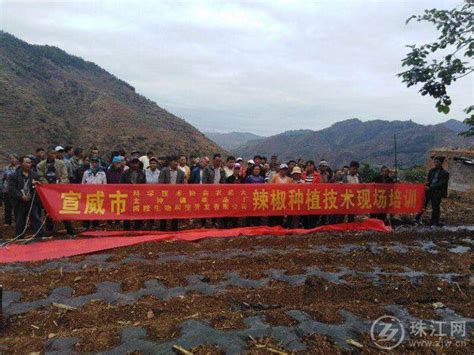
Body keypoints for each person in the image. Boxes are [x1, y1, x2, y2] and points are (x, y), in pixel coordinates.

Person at [37, 147, 75, 236]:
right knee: (48, 209)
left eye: (54, 153)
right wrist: (47, 185)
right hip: (47, 191)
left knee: (63, 209)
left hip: (59, 190)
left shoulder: (61, 163)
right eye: (51, 153)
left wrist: (59, 185)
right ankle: (49, 230)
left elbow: (65, 175)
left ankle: (70, 230)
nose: (53, 155)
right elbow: (40, 176)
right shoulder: (41, 165)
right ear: (47, 154)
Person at [7, 156, 43, 239]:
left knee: (35, 218)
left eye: (30, 163)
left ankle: (39, 235)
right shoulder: (14, 175)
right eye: (26, 162)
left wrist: (37, 184)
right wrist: (21, 196)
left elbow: (39, 187)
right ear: (21, 163)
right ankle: (19, 236)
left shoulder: (35, 175)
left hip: (31, 201)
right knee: (20, 219)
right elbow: (11, 189)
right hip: (19, 201)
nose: (28, 164)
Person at [416, 156, 450, 226]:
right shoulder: (431, 171)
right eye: (435, 162)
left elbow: (441, 184)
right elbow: (429, 180)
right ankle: (417, 218)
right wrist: (426, 184)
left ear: (441, 163)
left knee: (435, 207)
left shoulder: (445, 173)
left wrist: (430, 187)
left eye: (437, 162)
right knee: (423, 204)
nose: (435, 163)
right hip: (429, 191)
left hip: (437, 192)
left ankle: (434, 221)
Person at [159, 156, 185, 231]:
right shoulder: (164, 171)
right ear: (170, 162)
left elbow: (182, 186)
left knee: (175, 212)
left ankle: (174, 229)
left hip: (176, 196)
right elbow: (160, 184)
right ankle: (162, 229)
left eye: (177, 161)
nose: (176, 163)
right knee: (164, 213)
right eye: (175, 161)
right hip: (165, 196)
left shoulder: (181, 173)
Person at [81, 157, 107, 230]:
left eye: (96, 162)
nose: (95, 164)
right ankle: (86, 225)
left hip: (98, 194)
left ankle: (95, 225)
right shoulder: (86, 172)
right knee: (87, 210)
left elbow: (105, 184)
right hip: (88, 194)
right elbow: (83, 183)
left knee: (96, 210)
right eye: (93, 162)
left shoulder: (102, 173)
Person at [121, 157, 146, 230]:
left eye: (136, 163)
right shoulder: (125, 173)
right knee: (127, 212)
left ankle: (138, 228)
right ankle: (126, 228)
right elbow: (121, 184)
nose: (135, 165)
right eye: (133, 163)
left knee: (138, 211)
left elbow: (144, 184)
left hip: (138, 196)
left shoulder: (142, 173)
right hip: (128, 195)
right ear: (130, 164)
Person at [202, 153, 226, 227]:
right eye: (216, 161)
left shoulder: (222, 170)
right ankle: (203, 223)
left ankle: (214, 222)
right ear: (213, 160)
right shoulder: (207, 169)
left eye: (219, 161)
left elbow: (223, 182)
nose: (218, 163)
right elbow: (204, 181)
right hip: (208, 191)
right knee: (206, 207)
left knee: (215, 207)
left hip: (217, 192)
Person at [222, 163, 245, 228]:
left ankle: (235, 224)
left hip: (238, 198)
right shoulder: (229, 179)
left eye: (238, 169)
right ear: (233, 170)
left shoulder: (242, 179)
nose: (237, 170)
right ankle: (226, 225)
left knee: (236, 212)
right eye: (235, 169)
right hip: (230, 198)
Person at [2, 154, 19, 227]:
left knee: (16, 207)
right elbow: (3, 178)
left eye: (14, 158)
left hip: (16, 190)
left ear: (17, 160)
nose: (12, 160)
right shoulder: (6, 168)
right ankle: (7, 222)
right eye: (11, 158)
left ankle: (17, 221)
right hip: (7, 190)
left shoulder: (20, 168)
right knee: (7, 207)